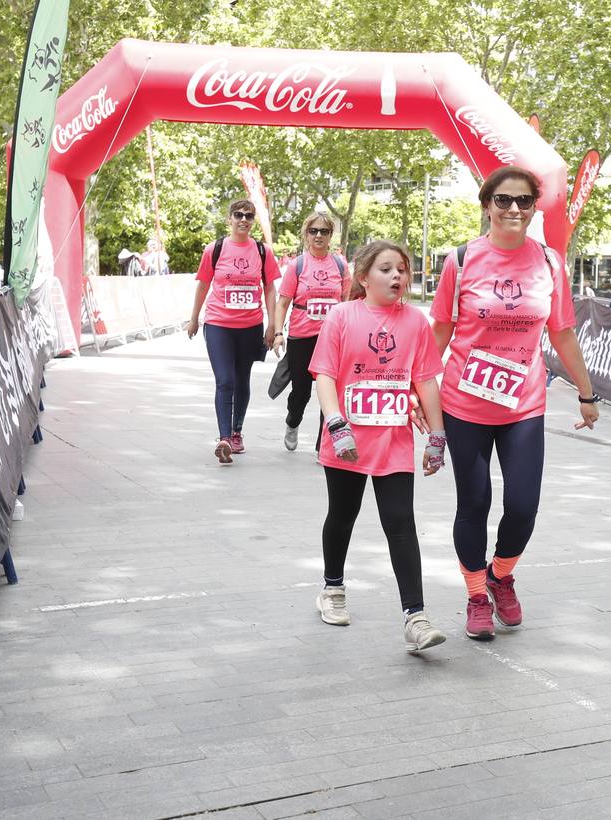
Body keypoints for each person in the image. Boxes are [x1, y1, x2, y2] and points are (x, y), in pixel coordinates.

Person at [431, 165, 601, 641]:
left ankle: (501, 575)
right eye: (503, 200)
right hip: (464, 402)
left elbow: (562, 332)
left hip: (523, 404)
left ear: (533, 208)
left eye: (524, 201)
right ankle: (475, 595)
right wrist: (416, 387)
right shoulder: (461, 261)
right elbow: (441, 330)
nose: (513, 209)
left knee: (524, 505)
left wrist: (587, 393)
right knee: (475, 501)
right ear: (487, 205)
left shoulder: (549, 263)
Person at [308, 239, 448, 653]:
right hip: (347, 439)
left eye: (402, 269)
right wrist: (336, 423)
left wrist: (437, 437)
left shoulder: (416, 322)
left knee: (400, 522)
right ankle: (332, 588)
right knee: (343, 514)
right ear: (364, 276)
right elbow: (325, 375)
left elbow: (425, 381)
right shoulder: (341, 316)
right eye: (386, 269)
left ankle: (416, 617)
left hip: (393, 441)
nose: (397, 276)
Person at [186, 199, 280, 463]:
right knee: (225, 380)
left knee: (242, 380)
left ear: (252, 221)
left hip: (250, 326)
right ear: (229, 219)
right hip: (218, 324)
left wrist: (273, 325)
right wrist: (194, 318)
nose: (243, 219)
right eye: (238, 215)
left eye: (248, 216)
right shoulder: (214, 249)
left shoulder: (263, 251)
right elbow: (203, 285)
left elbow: (270, 288)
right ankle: (224, 437)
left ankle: (237, 431)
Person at [272, 212, 349, 452]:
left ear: (330, 236)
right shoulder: (298, 265)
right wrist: (277, 333)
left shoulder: (340, 264)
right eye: (313, 231)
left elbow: (347, 300)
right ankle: (292, 422)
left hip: (331, 339)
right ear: (306, 234)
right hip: (302, 336)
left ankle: (322, 445)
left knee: (331, 393)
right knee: (301, 392)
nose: (318, 235)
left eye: (324, 231)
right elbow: (283, 303)